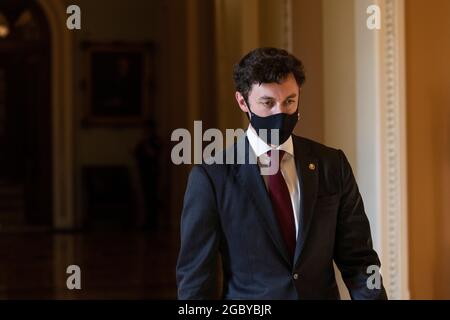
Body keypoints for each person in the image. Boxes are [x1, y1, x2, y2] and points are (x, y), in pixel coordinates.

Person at [176, 47, 387, 300]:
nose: (280, 113)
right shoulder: (211, 178)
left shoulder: (332, 164)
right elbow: (196, 281)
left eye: (290, 101)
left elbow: (361, 262)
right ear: (243, 101)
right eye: (267, 103)